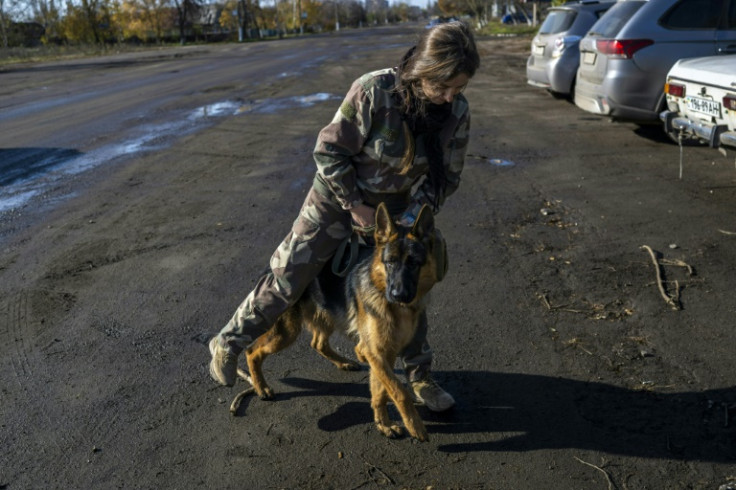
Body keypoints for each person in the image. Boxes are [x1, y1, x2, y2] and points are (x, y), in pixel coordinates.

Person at [209, 21, 480, 412]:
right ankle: (229, 342)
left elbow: (447, 176)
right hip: (337, 200)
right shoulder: (374, 91)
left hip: (400, 211)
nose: (449, 96)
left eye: (459, 88)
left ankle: (420, 379)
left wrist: (412, 219)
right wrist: (355, 204)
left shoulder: (456, 111)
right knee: (289, 276)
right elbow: (329, 153)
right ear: (422, 71)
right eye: (442, 86)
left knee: (412, 288)